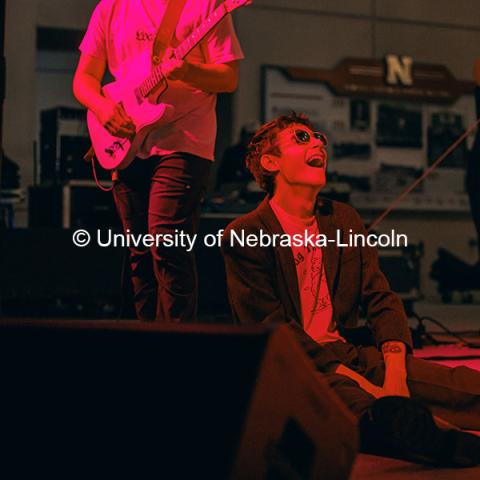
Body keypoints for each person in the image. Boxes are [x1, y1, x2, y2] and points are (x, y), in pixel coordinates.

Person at [221, 112, 480, 466]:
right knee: (349, 403)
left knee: (456, 385)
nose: (318, 142)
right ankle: (437, 439)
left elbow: (380, 296)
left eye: (318, 138)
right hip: (297, 364)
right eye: (301, 138)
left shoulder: (343, 219)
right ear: (270, 162)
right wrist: (376, 393)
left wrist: (395, 376)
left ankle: (418, 425)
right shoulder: (245, 232)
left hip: (349, 352)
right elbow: (275, 328)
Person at [73, 0, 244, 322]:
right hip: (127, 140)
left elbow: (228, 78)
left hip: (184, 140)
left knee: (168, 245)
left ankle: (175, 347)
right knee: (139, 252)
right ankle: (146, 342)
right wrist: (103, 108)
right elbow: (84, 79)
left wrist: (188, 71)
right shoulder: (111, 7)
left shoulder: (206, 7)